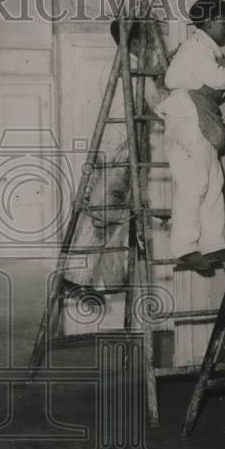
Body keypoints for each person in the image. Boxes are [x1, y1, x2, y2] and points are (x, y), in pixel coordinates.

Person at [63, 19, 168, 294]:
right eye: (147, 40)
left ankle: (110, 279)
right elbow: (162, 106)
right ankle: (76, 276)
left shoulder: (114, 66)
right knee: (107, 214)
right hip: (123, 149)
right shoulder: (134, 71)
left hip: (109, 146)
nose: (150, 45)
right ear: (135, 42)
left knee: (110, 213)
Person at [154, 0, 225, 273]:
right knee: (194, 185)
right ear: (210, 22)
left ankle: (214, 243)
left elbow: (212, 82)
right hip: (187, 120)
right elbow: (216, 79)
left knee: (213, 182)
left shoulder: (201, 48)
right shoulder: (196, 48)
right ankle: (185, 247)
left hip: (192, 119)